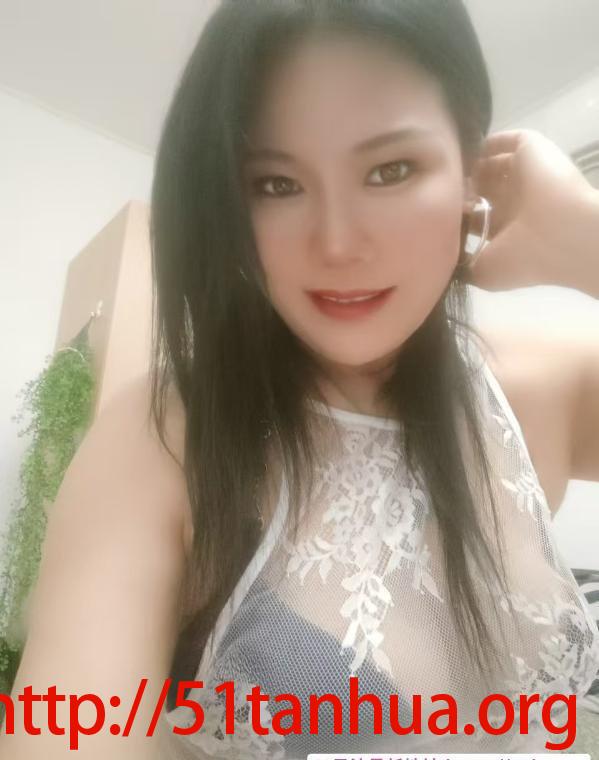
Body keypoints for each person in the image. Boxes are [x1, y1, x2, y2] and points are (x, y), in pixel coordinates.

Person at [2, 1, 599, 758]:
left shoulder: (545, 384)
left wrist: (587, 237)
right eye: (277, 184)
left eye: (391, 170)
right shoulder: (162, 435)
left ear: (469, 172)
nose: (338, 244)